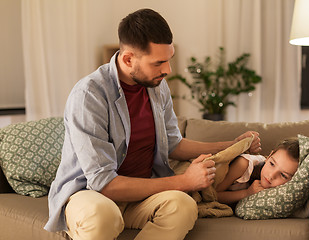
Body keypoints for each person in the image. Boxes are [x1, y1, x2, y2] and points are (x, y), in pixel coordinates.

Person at [44, 8, 261, 240]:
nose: (167, 70)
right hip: (89, 193)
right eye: (158, 63)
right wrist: (184, 181)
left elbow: (173, 145)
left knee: (183, 206)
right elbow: (103, 183)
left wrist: (233, 145)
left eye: (169, 60)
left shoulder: (157, 87)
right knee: (103, 214)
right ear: (128, 59)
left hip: (140, 194)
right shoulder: (90, 95)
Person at [216, 138, 299, 205]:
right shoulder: (243, 164)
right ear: (269, 156)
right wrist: (247, 193)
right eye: (272, 164)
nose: (271, 175)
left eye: (283, 175)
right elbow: (214, 195)